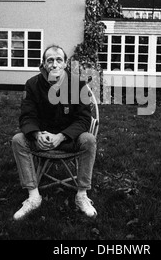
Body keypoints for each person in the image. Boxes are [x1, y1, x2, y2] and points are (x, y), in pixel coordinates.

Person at [11, 45, 97, 221]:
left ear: (65, 63)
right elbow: (27, 116)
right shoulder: (33, 84)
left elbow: (83, 119)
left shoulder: (78, 84)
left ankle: (81, 195)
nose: (54, 64)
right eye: (49, 60)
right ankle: (33, 196)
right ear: (43, 63)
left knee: (89, 139)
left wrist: (62, 136)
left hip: (68, 139)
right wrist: (36, 134)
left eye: (59, 59)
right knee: (18, 140)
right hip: (42, 139)